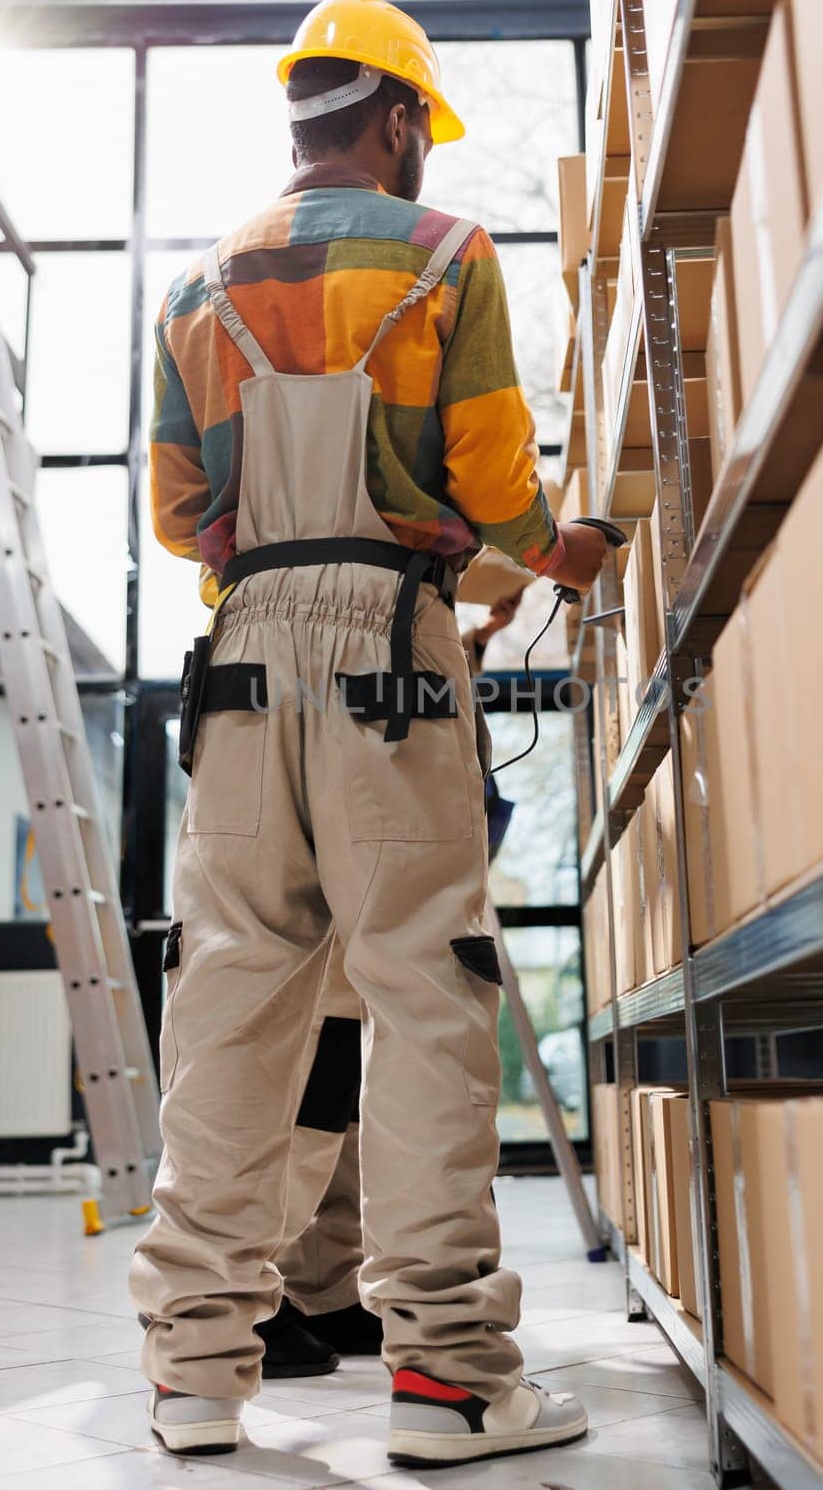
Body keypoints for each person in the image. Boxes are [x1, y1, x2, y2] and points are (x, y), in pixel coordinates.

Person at [131, 0, 609, 1466]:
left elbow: (173, 518)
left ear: (303, 111)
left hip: (239, 660)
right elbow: (493, 480)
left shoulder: (199, 283)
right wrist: (553, 555)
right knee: (418, 993)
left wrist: (292, 559)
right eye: (420, 128)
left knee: (232, 999)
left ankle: (196, 1378)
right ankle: (450, 1379)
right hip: (388, 660)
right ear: (396, 117)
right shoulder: (446, 252)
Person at [256, 582, 526, 1381]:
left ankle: (322, 1287)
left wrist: (476, 632)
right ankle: (256, 1292)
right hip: (344, 813)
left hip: (374, 795)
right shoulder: (334, 593)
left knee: (340, 1108)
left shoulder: (411, 617)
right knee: (315, 1082)